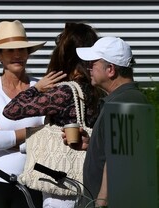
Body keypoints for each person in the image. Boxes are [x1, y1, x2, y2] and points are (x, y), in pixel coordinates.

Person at [3, 22, 104, 208]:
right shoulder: (96, 88)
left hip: (61, 181)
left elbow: (12, 110)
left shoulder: (64, 93)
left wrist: (36, 88)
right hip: (90, 178)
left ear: (64, 54)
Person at [0, 20, 65, 208]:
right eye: (9, 50)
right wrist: (33, 132)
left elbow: (50, 139)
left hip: (32, 180)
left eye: (22, 50)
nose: (17, 55)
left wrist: (6, 138)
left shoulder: (43, 88)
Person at [68, 36, 149, 207]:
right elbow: (123, 150)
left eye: (93, 63)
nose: (88, 68)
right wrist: (92, 145)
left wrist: (102, 201)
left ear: (110, 69)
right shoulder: (121, 99)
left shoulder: (125, 101)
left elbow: (118, 160)